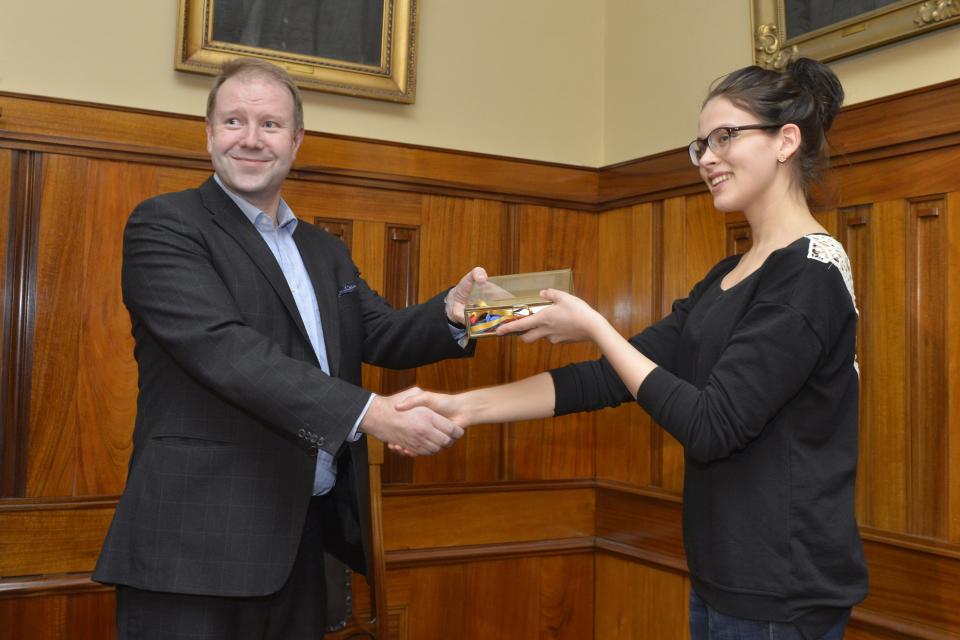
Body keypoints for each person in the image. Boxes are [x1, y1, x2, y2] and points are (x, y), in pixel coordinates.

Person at [399, 58, 868, 639]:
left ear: (786, 141)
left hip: (783, 590)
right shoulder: (730, 273)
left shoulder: (809, 274)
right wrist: (463, 407)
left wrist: (596, 325)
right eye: (701, 144)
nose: (709, 159)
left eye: (725, 137)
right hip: (724, 573)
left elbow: (712, 425)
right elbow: (606, 379)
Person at [93, 57, 484, 639]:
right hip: (193, 550)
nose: (251, 139)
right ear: (208, 134)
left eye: (270, 125)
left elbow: (379, 331)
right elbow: (225, 352)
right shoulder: (165, 225)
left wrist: (458, 314)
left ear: (297, 141)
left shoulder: (325, 250)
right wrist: (370, 414)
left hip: (302, 541)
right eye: (233, 121)